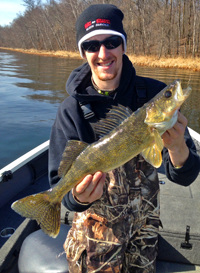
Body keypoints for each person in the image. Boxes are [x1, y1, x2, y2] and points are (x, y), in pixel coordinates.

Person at [48, 4, 200, 273]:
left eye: (112, 41)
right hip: (94, 232)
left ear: (123, 46)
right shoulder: (70, 111)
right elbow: (65, 192)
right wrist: (78, 198)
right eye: (93, 46)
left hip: (144, 228)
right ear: (83, 53)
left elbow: (184, 176)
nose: (103, 53)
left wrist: (177, 148)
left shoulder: (153, 93)